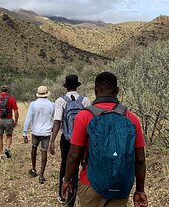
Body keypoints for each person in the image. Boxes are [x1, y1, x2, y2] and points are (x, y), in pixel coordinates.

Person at [61, 72, 148, 207]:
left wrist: (67, 180)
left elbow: (74, 156)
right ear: (117, 91)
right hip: (121, 185)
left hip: (91, 184)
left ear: (95, 90)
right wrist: (140, 190)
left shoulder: (84, 116)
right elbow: (140, 160)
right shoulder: (131, 118)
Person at [49, 74, 90, 206]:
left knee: (66, 165)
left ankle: (64, 194)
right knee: (83, 166)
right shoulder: (85, 100)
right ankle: (79, 193)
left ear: (66, 86)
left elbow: (57, 121)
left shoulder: (60, 101)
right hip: (83, 139)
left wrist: (52, 140)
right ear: (77, 86)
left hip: (67, 139)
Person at [22, 86, 55, 184]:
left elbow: (28, 118)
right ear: (47, 93)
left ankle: (33, 169)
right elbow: (55, 118)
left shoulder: (33, 104)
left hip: (35, 131)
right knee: (44, 152)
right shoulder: (52, 105)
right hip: (46, 132)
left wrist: (24, 132)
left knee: (34, 148)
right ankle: (41, 175)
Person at [0, 85, 19, 159]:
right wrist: (16, 121)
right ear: (8, 91)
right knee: (9, 135)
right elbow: (16, 111)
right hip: (8, 120)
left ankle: (1, 154)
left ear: (1, 91)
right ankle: (7, 148)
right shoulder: (11, 99)